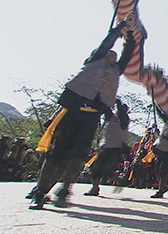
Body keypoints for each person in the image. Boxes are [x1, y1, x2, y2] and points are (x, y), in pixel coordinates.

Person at [29, 17, 135, 209]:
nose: (112, 54)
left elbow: (128, 53)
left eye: (114, 54)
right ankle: (40, 192)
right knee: (56, 154)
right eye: (108, 53)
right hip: (72, 113)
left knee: (78, 156)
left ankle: (65, 190)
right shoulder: (95, 60)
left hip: (91, 117)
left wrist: (130, 35)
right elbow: (106, 44)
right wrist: (117, 30)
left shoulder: (116, 70)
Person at [83, 99, 131, 196]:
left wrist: (118, 104)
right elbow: (106, 109)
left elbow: (120, 113)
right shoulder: (112, 118)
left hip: (115, 148)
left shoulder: (124, 121)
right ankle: (94, 188)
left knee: (107, 170)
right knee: (94, 169)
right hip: (104, 147)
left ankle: (118, 179)